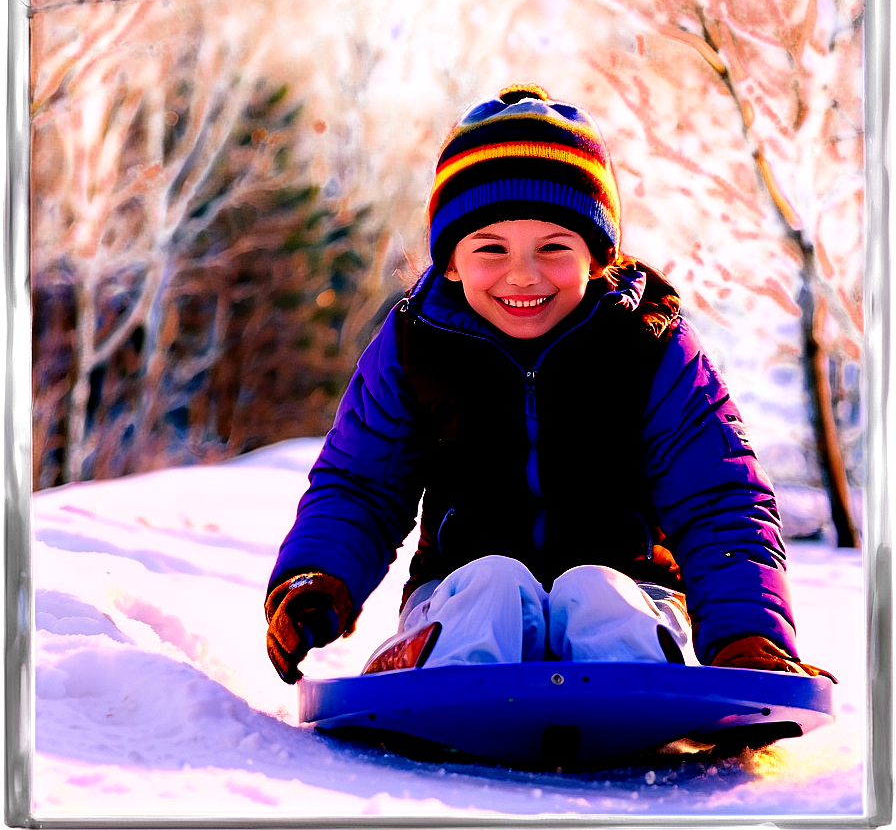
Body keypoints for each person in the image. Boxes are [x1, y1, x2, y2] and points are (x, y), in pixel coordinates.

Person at [265, 84, 833, 684]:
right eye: (491, 248)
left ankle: (634, 679)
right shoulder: (416, 344)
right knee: (493, 583)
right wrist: (316, 578)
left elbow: (718, 497)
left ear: (598, 257)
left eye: (554, 246)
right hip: (457, 591)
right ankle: (440, 668)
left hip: (632, 586)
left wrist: (747, 636)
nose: (522, 275)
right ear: (450, 262)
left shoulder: (652, 344)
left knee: (600, 593)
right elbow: (361, 485)